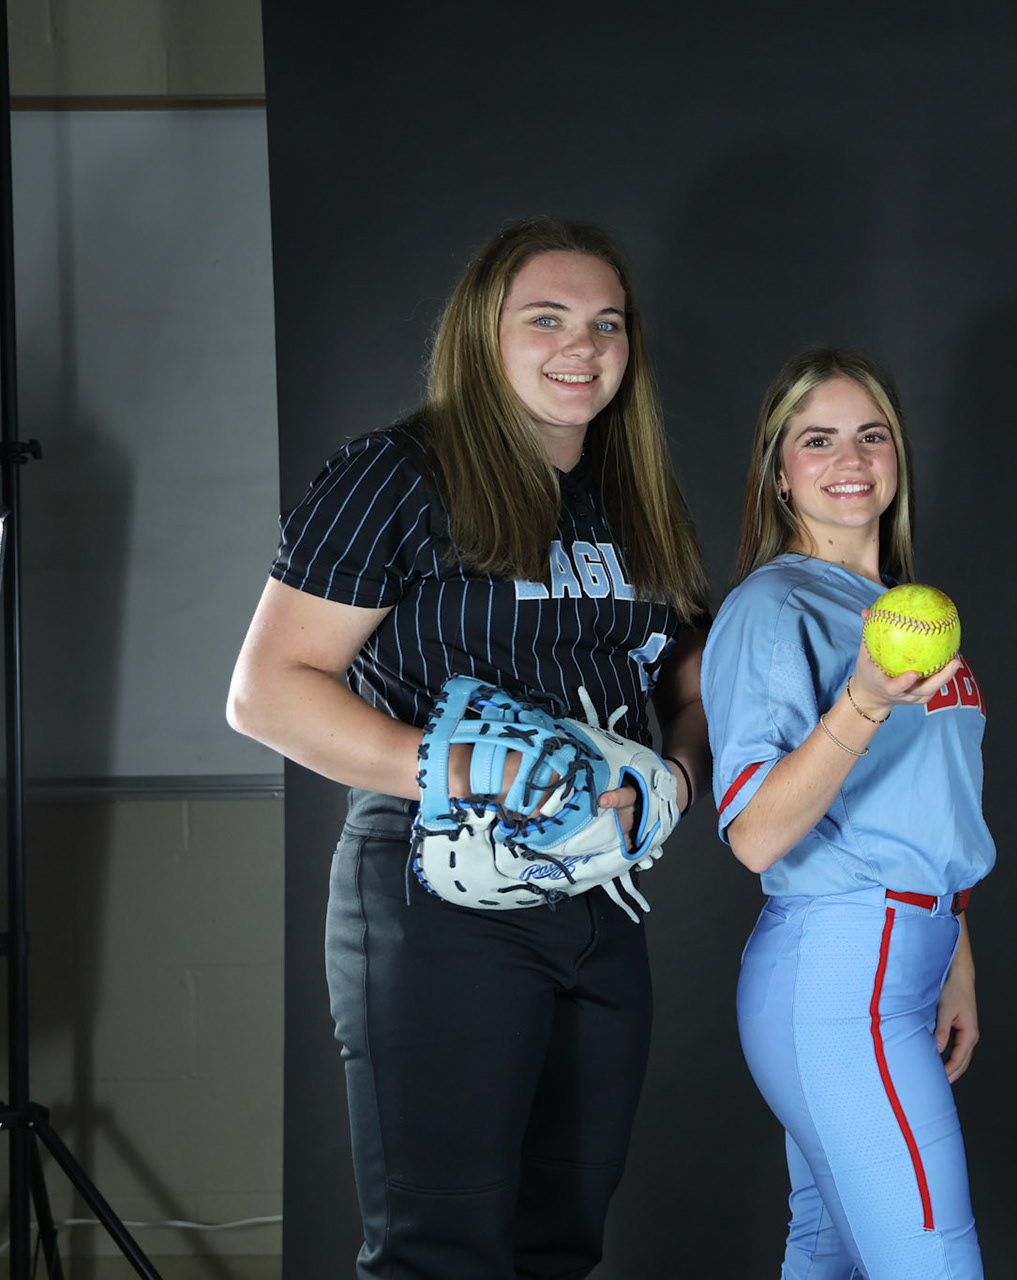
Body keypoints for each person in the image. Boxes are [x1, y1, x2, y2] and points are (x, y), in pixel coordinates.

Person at [227, 216, 709, 1279]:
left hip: (598, 898)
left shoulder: (628, 499)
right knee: (438, 1253)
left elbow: (687, 679)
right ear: (483, 335)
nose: (580, 346)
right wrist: (466, 767)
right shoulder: (398, 472)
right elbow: (265, 690)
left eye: (606, 323)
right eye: (546, 318)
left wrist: (674, 776)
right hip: (438, 891)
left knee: (560, 1242)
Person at [704, 348, 992, 1279]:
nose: (850, 457)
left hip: (909, 957)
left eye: (872, 435)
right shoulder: (771, 604)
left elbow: (929, 807)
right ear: (779, 474)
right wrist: (862, 701)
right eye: (817, 439)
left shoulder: (903, 609)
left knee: (827, 1252)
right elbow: (753, 832)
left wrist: (956, 955)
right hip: (834, 973)